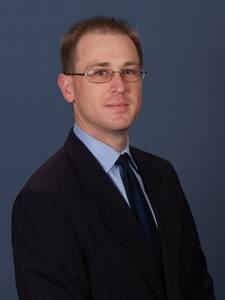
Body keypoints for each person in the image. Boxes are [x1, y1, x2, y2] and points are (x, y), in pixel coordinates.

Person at [12, 16, 216, 300]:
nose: (119, 86)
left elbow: (197, 286)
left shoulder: (162, 174)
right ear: (67, 87)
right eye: (100, 73)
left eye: (129, 71)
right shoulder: (44, 199)